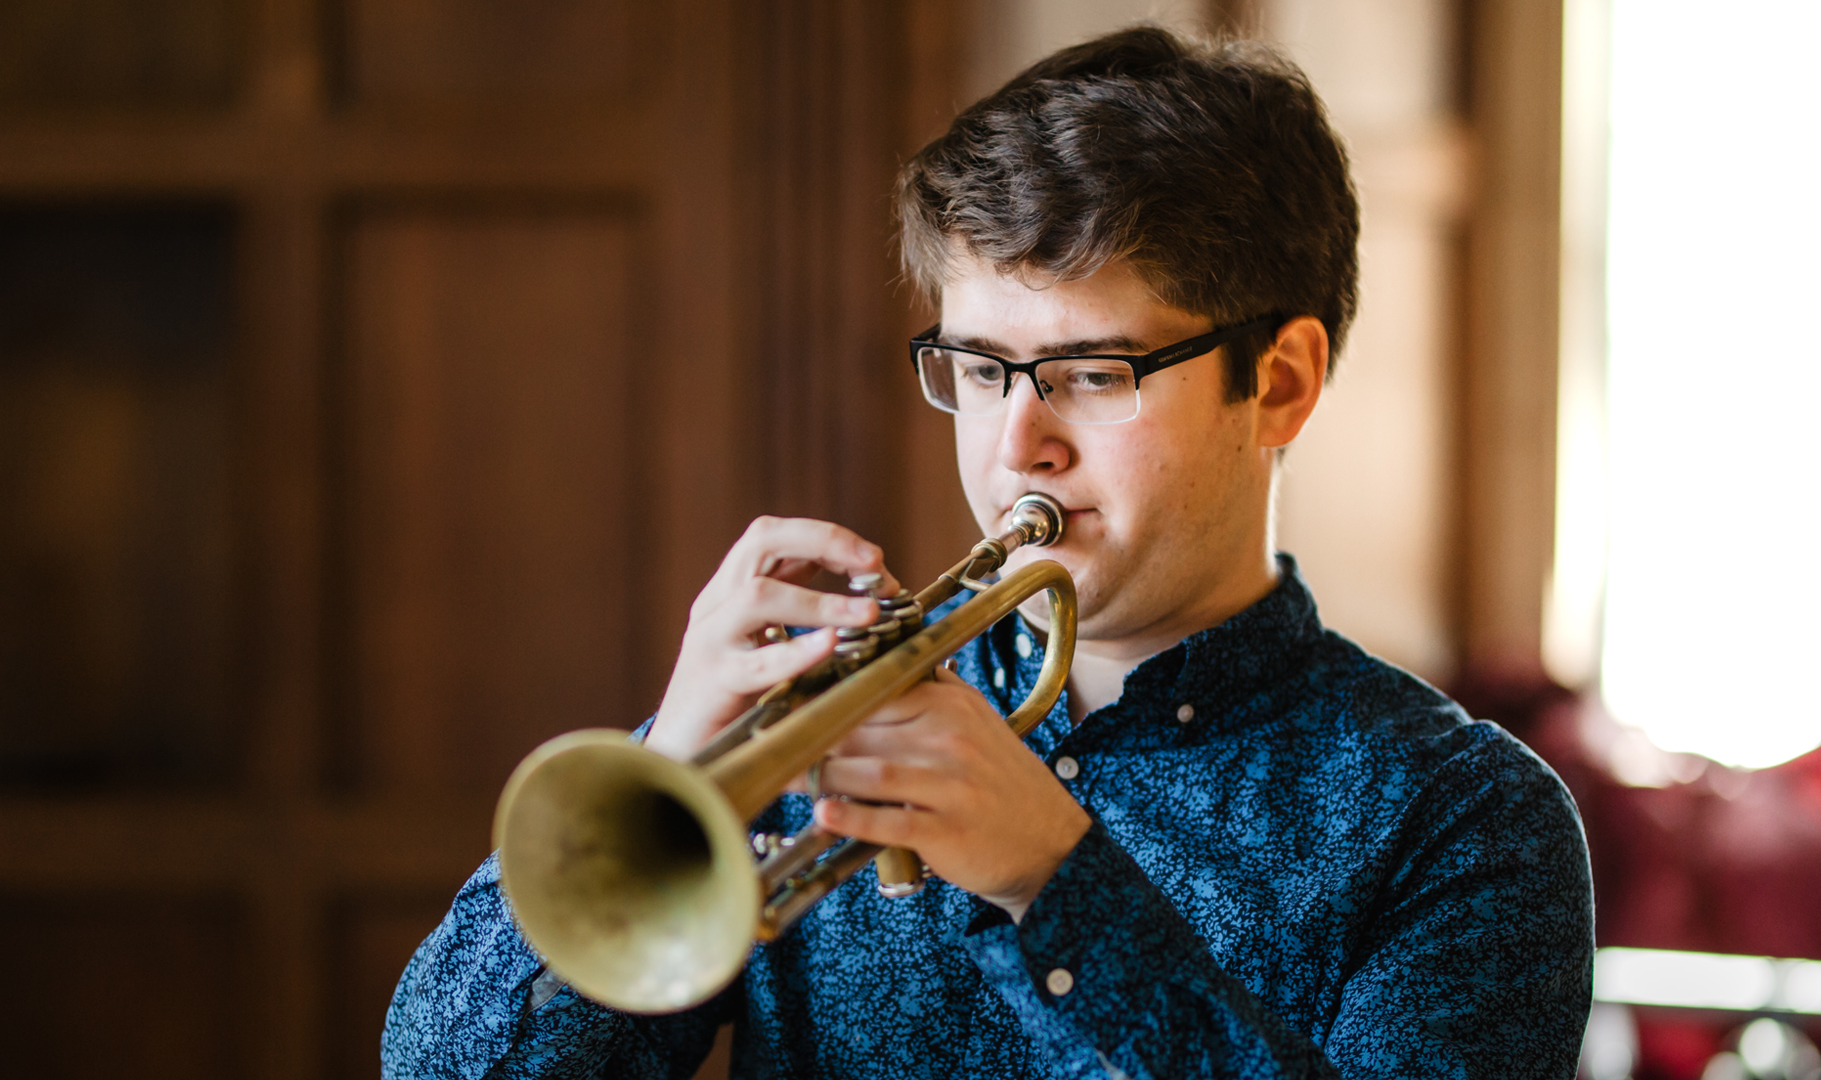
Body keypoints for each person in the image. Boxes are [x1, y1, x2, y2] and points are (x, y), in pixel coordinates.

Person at [383, 24, 1594, 1080]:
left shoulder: (1465, 823)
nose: (1017, 445)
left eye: (1085, 374)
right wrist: (682, 761)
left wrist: (1054, 884)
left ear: (1276, 384)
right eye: (977, 370)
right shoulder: (816, 729)